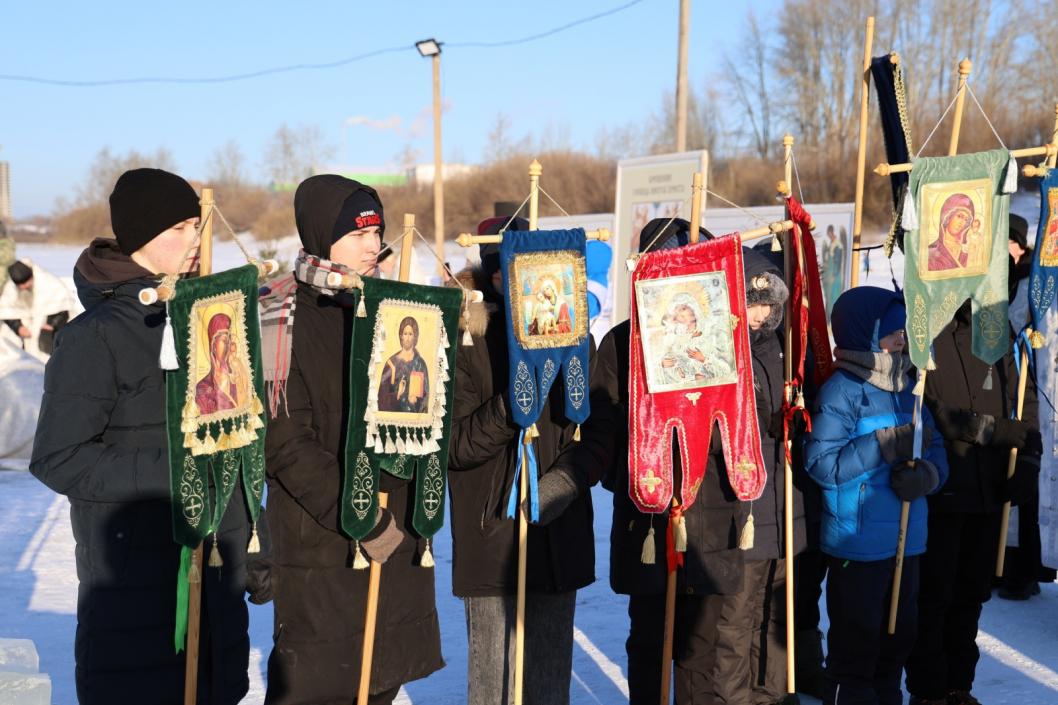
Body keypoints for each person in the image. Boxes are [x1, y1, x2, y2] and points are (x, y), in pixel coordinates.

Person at [30, 168, 253, 705]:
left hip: (214, 582)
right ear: (142, 236)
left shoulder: (210, 320)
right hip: (133, 590)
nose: (196, 240)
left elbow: (234, 440)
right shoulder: (94, 336)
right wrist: (174, 471)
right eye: (180, 227)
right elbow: (59, 458)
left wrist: (249, 542)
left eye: (197, 226)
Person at [262, 175, 442, 705]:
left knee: (380, 682)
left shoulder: (396, 310)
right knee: (318, 686)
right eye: (358, 232)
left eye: (377, 231)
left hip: (394, 538)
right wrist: (360, 514)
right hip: (324, 545)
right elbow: (286, 441)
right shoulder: (280, 313)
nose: (373, 244)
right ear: (322, 234)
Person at [447, 214, 613, 705]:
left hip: (557, 532)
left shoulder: (575, 336)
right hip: (493, 534)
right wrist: (514, 405)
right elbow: (455, 445)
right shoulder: (465, 340)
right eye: (507, 271)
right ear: (494, 273)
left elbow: (600, 427)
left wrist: (569, 478)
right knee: (494, 683)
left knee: (546, 683)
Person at [599, 217, 748, 705]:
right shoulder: (621, 342)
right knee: (650, 638)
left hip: (711, 510)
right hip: (649, 516)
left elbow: (744, 419)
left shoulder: (724, 340)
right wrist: (647, 462)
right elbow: (602, 435)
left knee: (701, 641)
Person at [804, 287, 949, 705]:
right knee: (858, 649)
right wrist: (883, 445)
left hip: (908, 542)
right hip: (859, 544)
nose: (902, 338)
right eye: (892, 330)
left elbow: (934, 447)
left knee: (896, 645)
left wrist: (928, 475)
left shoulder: (911, 386)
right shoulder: (841, 391)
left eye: (905, 329)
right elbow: (823, 467)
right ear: (865, 332)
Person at [905, 293, 1041, 705]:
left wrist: (1028, 466)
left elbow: (1025, 403)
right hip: (942, 492)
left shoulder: (1000, 333)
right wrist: (990, 432)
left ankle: (958, 686)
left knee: (972, 595)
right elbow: (931, 411)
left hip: (990, 492)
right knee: (935, 597)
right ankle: (928, 690)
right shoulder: (924, 333)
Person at [710, 247, 806, 705]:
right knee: (736, 619)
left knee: (776, 613)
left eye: (768, 303)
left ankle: (770, 695)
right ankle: (735, 699)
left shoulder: (782, 346)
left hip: (784, 502)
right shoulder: (719, 351)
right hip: (742, 505)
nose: (761, 313)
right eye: (752, 302)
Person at [0, 258, 75, 362]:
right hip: (23, 338)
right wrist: (18, 327)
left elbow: (63, 309)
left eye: (26, 283)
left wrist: (51, 324)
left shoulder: (50, 283)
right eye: (20, 285)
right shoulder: (11, 289)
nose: (24, 287)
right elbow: (6, 312)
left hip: (47, 334)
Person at [377, 315, 429, 414]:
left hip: (414, 420)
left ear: (415, 336)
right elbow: (381, 399)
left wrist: (415, 401)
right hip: (394, 419)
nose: (408, 338)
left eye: (411, 334)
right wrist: (397, 395)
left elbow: (426, 396)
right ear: (401, 336)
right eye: (405, 334)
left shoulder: (420, 364)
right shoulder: (391, 363)